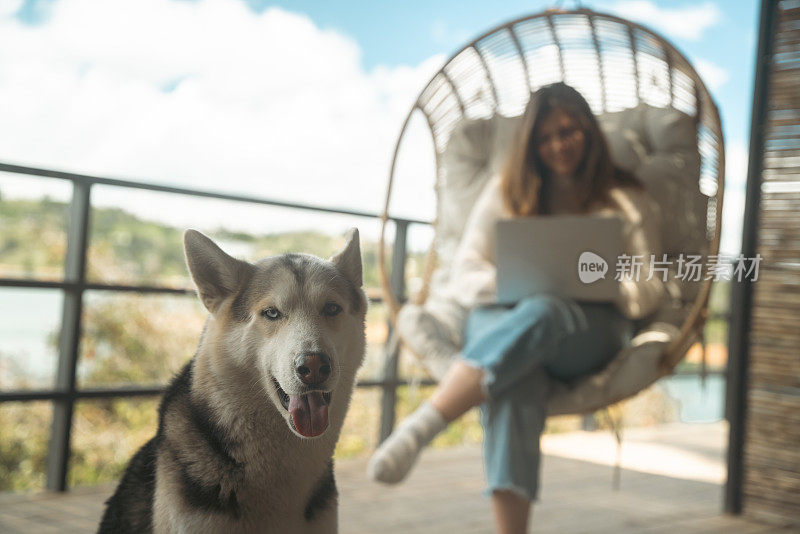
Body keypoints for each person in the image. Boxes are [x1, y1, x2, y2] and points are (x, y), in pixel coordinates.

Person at [366, 82, 666, 534]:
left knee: (547, 310)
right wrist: (516, 287)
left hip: (589, 329)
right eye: (545, 137)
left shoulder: (626, 197)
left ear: (588, 129)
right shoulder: (505, 190)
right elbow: (467, 270)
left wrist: (601, 286)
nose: (558, 144)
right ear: (530, 143)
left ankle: (425, 424)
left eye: (568, 131)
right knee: (517, 377)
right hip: (502, 317)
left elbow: (650, 283)